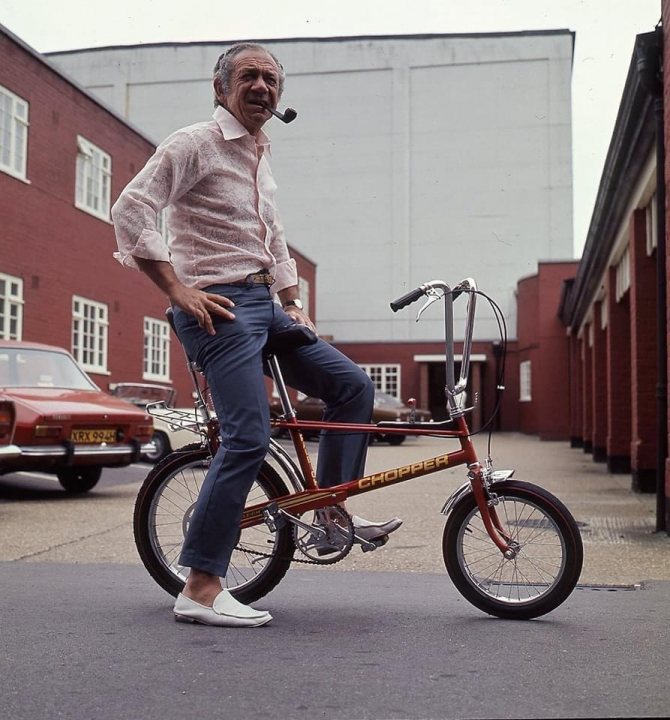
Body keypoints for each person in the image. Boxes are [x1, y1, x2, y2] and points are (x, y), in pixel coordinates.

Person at [112, 43, 402, 627]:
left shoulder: (259, 156)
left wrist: (293, 302)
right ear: (221, 89)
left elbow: (273, 237)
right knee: (248, 437)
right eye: (249, 76)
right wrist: (177, 291)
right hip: (219, 308)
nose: (262, 87)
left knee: (351, 390)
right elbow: (131, 210)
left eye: (271, 79)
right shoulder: (193, 143)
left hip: (267, 306)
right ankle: (198, 587)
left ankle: (330, 513)